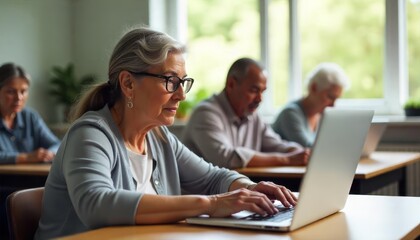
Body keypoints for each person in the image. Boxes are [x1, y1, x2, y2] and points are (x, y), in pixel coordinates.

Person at [35, 27, 298, 239]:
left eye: (183, 82)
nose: (182, 94)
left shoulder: (159, 138)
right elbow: (97, 204)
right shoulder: (90, 134)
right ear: (128, 83)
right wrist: (212, 203)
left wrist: (250, 188)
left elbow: (213, 177)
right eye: (171, 81)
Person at [182, 58, 310, 169]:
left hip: (234, 190)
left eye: (263, 91)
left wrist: (298, 152)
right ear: (231, 84)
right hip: (204, 195)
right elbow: (226, 158)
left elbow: (276, 144)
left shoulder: (252, 115)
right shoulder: (205, 113)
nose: (260, 99)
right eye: (254, 90)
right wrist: (287, 160)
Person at [271, 62, 350, 147]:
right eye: (330, 97)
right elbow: (309, 149)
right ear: (313, 88)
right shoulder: (290, 113)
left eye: (336, 99)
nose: (333, 105)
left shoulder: (320, 115)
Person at [0, 62, 60, 164]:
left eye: (23, 91)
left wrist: (49, 153)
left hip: (33, 178)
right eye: (11, 91)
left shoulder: (30, 116)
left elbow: (57, 144)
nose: (18, 98)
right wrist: (26, 157)